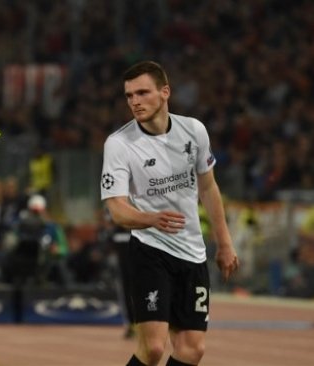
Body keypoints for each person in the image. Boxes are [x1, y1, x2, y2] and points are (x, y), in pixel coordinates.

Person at [100, 60, 239, 366]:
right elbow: (117, 210)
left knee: (193, 350)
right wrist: (151, 219)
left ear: (165, 92)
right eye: (129, 95)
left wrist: (225, 243)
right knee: (153, 349)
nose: (135, 101)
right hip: (151, 251)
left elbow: (208, 188)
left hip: (193, 253)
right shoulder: (119, 144)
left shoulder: (194, 130)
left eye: (142, 93)